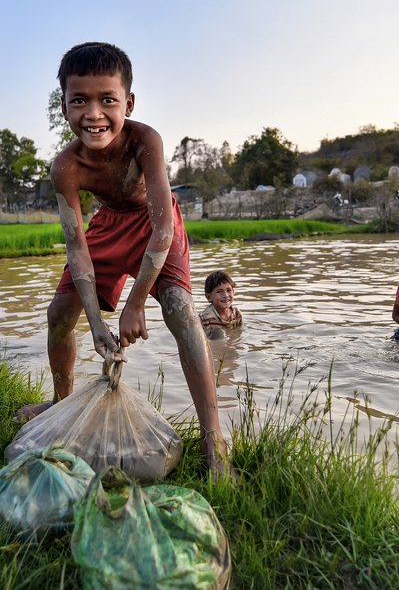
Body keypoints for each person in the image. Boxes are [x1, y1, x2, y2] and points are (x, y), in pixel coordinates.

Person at [18, 42, 233, 479]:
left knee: (180, 310)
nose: (93, 113)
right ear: (64, 106)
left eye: (107, 100)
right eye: (79, 100)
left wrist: (135, 303)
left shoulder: (144, 141)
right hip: (109, 226)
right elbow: (76, 247)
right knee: (59, 312)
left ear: (127, 103)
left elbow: (163, 229)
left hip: (157, 223)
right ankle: (62, 402)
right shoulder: (66, 167)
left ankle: (214, 438)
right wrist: (97, 323)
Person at [199, 271, 243, 340]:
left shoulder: (236, 313)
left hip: (230, 343)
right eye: (219, 291)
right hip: (213, 344)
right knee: (218, 333)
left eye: (229, 290)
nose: (225, 295)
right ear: (209, 297)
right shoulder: (205, 318)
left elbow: (239, 331)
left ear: (233, 292)